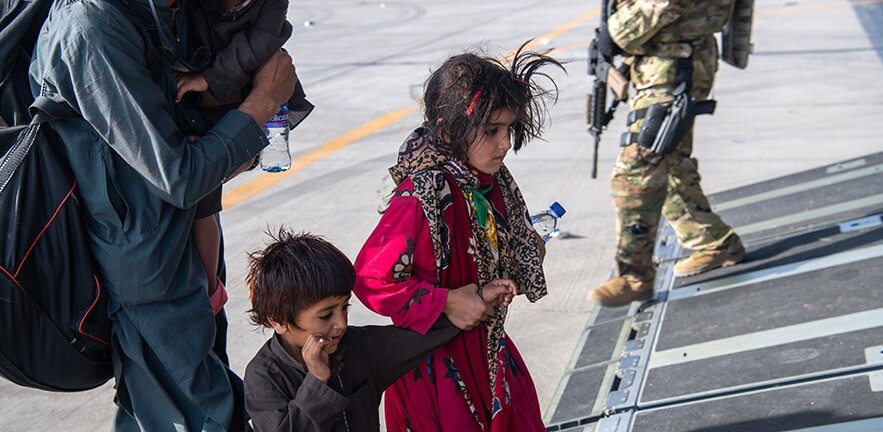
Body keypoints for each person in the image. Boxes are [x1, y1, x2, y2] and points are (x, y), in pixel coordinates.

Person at [28, 0, 298, 428]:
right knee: (204, 414)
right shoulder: (92, 30)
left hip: (185, 246)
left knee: (163, 409)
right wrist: (263, 102)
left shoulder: (161, 10)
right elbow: (180, 175)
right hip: (149, 271)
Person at [352, 43, 563, 431]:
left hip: (487, 350)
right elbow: (371, 279)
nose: (505, 144)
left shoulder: (489, 183)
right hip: (436, 367)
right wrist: (447, 301)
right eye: (492, 131)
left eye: (509, 129)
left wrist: (514, 263)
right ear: (450, 131)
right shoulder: (422, 196)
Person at [243, 230, 516, 431]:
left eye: (344, 307)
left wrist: (476, 300)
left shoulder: (358, 347)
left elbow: (416, 338)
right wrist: (317, 381)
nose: (341, 324)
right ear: (278, 321)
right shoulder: (263, 378)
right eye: (326, 315)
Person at [586, 0, 746, 307]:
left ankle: (634, 276)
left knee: (637, 170)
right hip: (665, 60)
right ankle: (713, 241)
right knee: (670, 163)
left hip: (676, 61)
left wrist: (617, 31)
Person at [173, 0, 314, 318]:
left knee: (204, 199)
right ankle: (209, 290)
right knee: (200, 196)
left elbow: (262, 41)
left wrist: (209, 78)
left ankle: (210, 290)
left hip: (244, 100)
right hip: (195, 105)